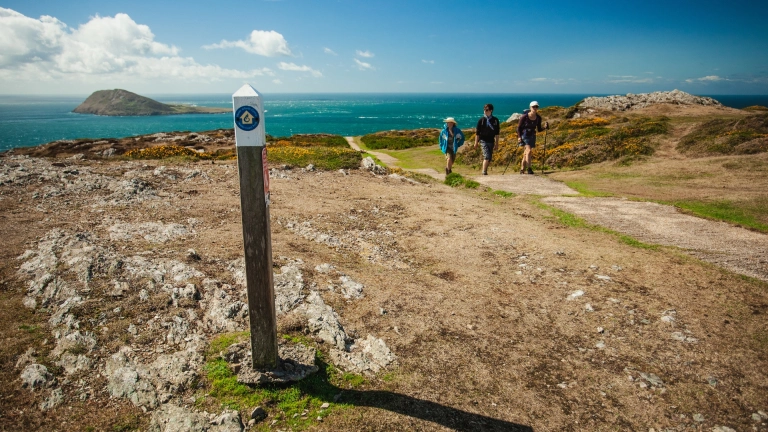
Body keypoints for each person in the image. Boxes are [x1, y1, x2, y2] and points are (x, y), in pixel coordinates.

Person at [517, 101, 549, 174]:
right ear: (530, 107)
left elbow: (539, 129)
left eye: (536, 107)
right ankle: (529, 169)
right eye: (533, 107)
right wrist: (519, 137)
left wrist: (545, 127)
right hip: (524, 136)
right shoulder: (524, 117)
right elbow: (518, 128)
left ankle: (522, 169)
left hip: (532, 136)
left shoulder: (538, 117)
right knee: (528, 151)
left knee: (526, 153)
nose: (535, 108)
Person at [474, 103, 500, 175]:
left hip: (491, 140)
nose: (485, 111)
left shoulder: (495, 120)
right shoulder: (481, 120)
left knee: (489, 157)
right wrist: (476, 142)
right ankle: (484, 171)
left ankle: (485, 170)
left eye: (487, 110)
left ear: (491, 110)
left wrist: (497, 143)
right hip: (483, 140)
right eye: (484, 110)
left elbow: (497, 133)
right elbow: (477, 133)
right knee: (486, 156)